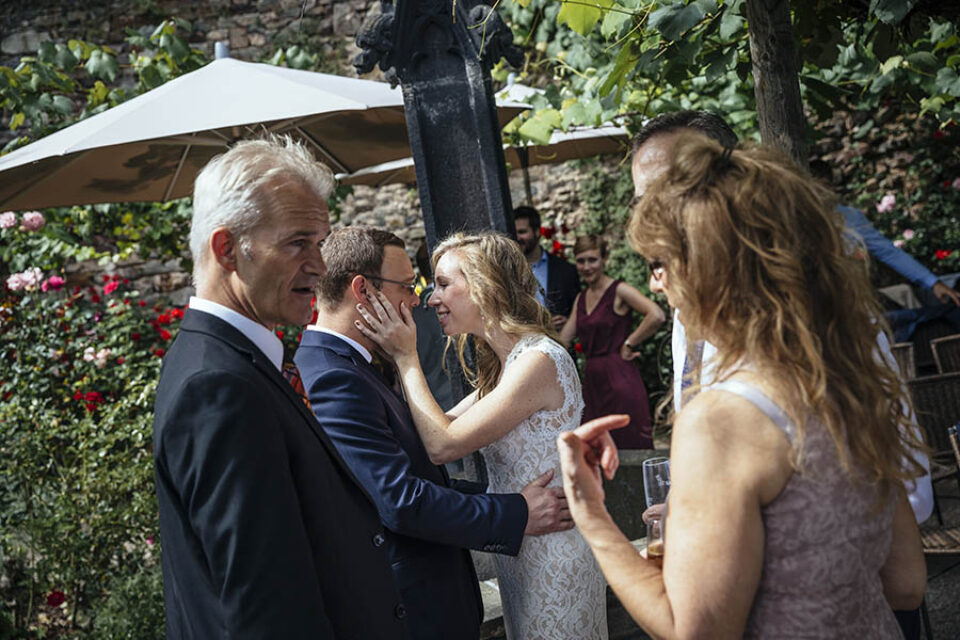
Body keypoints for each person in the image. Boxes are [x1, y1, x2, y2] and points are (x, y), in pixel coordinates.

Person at [559, 133, 928, 638]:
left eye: (660, 265)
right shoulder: (844, 378)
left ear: (712, 271)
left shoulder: (721, 419)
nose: (656, 285)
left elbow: (696, 632)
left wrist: (592, 516)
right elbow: (907, 583)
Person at [153, 137, 408, 638]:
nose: (319, 264)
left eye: (321, 242)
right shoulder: (218, 387)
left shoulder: (234, 364)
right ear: (227, 249)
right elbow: (265, 609)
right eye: (297, 242)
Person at [630, 110, 935, 524]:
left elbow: (909, 492)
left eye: (676, 189)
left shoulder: (827, 313)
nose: (654, 213)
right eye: (642, 201)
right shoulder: (688, 316)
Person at [293, 226, 574, 640]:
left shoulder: (355, 364)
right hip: (412, 611)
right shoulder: (333, 376)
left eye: (436, 284)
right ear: (363, 290)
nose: (417, 299)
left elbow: (424, 471)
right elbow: (402, 500)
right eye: (408, 285)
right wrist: (515, 511)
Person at [355, 231, 619, 640]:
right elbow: (433, 427)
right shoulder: (503, 367)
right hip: (522, 549)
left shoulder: (538, 360)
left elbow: (444, 445)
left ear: (485, 286)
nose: (431, 297)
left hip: (554, 553)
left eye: (443, 284)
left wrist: (407, 357)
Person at [560, 235, 665, 448]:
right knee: (594, 448)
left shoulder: (619, 290)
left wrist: (630, 343)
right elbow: (563, 340)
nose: (586, 266)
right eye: (581, 261)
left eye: (592, 260)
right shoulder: (581, 299)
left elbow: (656, 314)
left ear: (604, 259)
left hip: (620, 377)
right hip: (592, 382)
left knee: (629, 441)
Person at [513, 206, 580, 330]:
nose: (517, 238)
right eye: (514, 232)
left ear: (537, 232)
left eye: (522, 232)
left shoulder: (566, 270)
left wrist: (568, 322)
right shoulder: (510, 272)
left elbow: (578, 312)